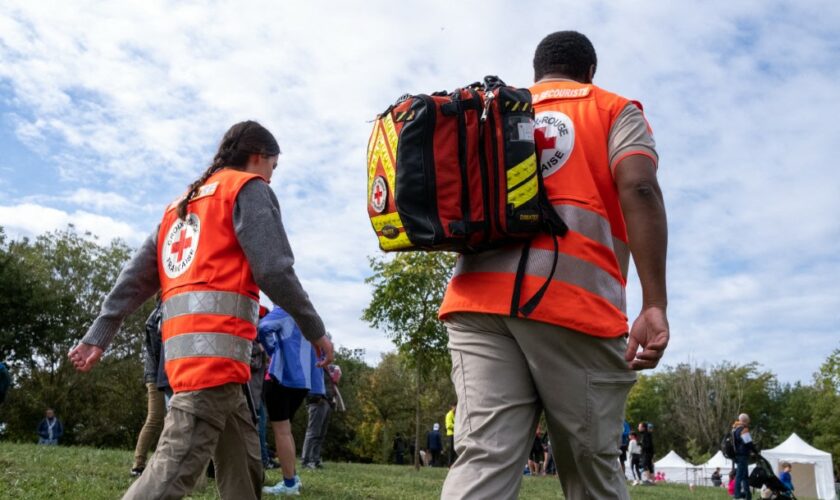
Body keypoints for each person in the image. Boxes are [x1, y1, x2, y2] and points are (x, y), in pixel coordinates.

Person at [438, 31, 668, 499]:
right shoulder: (612, 109)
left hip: (476, 300)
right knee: (591, 468)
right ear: (589, 74)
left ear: (537, 73)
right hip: (572, 304)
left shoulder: (498, 111)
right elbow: (640, 188)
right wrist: (655, 302)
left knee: (484, 456)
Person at [68, 121, 334, 500]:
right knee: (170, 472)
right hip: (215, 364)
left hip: (194, 362)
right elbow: (275, 269)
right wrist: (315, 330)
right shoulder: (248, 189)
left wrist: (100, 333)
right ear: (259, 157)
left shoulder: (180, 206)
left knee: (244, 464)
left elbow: (135, 277)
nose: (272, 179)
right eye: (273, 167)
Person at [259, 305, 326, 495]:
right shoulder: (309, 315)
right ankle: (293, 477)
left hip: (282, 377)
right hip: (304, 380)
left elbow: (263, 327)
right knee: (286, 431)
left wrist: (273, 352)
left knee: (281, 432)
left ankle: (289, 484)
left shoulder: (284, 309)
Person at [130, 301, 166, 476]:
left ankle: (161, 463)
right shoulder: (157, 316)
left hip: (164, 373)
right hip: (157, 375)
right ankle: (138, 464)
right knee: (155, 418)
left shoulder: (162, 312)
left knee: (170, 419)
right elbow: (157, 350)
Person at [301, 357, 338, 470]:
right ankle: (306, 460)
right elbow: (308, 381)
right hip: (317, 401)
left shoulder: (327, 367)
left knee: (321, 433)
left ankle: (315, 459)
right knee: (313, 432)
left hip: (327, 400)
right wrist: (316, 398)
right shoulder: (315, 363)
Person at [732, 413, 756, 500]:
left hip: (738, 455)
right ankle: (737, 495)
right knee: (740, 475)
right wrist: (755, 451)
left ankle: (747, 495)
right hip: (742, 455)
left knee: (745, 476)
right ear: (746, 421)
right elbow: (748, 442)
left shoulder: (735, 429)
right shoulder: (743, 429)